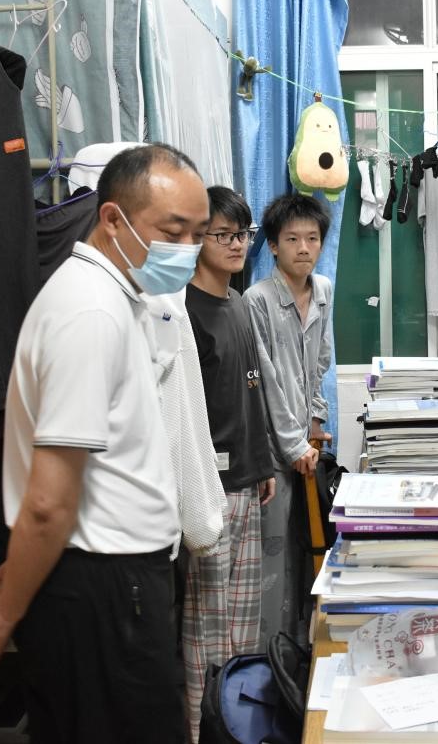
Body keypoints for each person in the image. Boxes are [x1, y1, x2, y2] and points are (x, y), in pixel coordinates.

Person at [0, 144, 209, 743]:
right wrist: (9, 609)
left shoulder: (117, 298)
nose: (187, 249)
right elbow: (49, 501)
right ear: (113, 219)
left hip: (112, 581)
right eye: (173, 231)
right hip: (104, 589)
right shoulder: (90, 311)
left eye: (198, 234)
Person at [183, 185, 278, 741]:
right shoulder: (184, 312)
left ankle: (238, 725)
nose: (237, 244)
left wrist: (263, 463)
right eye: (223, 234)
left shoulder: (238, 304)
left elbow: (251, 391)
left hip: (247, 480)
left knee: (244, 622)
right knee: (206, 624)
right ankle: (202, 730)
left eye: (243, 234)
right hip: (208, 490)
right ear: (197, 239)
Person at [245, 192, 334, 641]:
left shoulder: (324, 290)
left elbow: (321, 361)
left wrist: (316, 418)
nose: (303, 248)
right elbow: (266, 381)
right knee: (273, 555)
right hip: (273, 449)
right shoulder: (256, 299)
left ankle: (304, 644)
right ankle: (269, 654)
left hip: (307, 447)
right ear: (274, 246)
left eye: (312, 238)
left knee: (310, 544)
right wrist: (294, 444)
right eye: (292, 239)